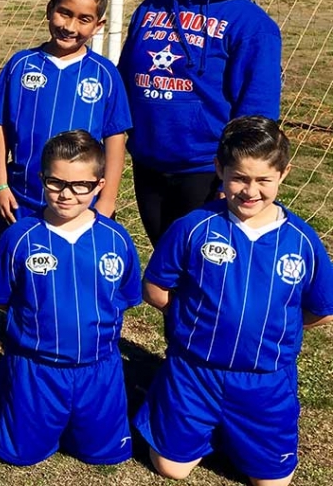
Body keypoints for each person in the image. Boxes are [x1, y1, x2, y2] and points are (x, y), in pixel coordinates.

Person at [135, 116, 333, 486]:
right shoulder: (193, 227)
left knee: (272, 483)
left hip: (263, 382)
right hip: (195, 372)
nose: (250, 191)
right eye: (240, 177)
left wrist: (274, 327)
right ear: (219, 169)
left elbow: (321, 310)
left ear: (284, 174)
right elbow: (156, 289)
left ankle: (235, 431)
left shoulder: (302, 241)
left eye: (263, 180)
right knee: (170, 469)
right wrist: (193, 323)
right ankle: (187, 412)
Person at [118, 0, 282, 246]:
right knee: (165, 261)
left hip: (206, 171)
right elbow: (124, 82)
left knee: (201, 267)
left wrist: (232, 176)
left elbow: (257, 113)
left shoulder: (252, 26)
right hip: (148, 163)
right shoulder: (152, 7)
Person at [0, 130, 141, 466]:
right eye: (56, 183)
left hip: (97, 370)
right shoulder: (18, 238)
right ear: (42, 178)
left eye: (81, 185)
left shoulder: (116, 240)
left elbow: (124, 297)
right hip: (34, 370)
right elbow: (1, 298)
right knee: (18, 456)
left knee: (104, 456)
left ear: (100, 184)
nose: (67, 194)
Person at [0, 0, 131, 236]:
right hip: (22, 199)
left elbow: (115, 137)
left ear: (98, 26)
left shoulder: (105, 74)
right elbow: (0, 126)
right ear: (49, 9)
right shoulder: (20, 65)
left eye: (83, 19)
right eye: (64, 13)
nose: (69, 26)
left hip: (81, 204)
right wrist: (0, 185)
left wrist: (108, 199)